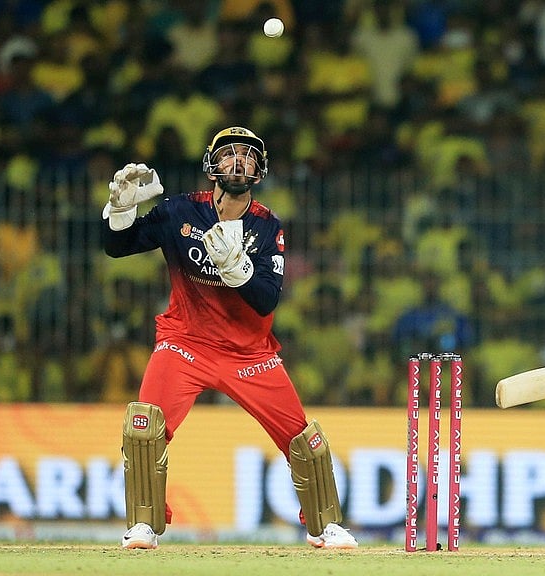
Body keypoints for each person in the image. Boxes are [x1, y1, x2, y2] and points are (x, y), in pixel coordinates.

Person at [102, 126, 358, 551]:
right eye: (228, 154)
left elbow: (265, 301)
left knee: (304, 441)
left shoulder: (267, 224)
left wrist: (237, 267)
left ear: (258, 171)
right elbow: (117, 247)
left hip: (249, 354)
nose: (238, 162)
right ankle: (144, 524)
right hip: (185, 344)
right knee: (144, 426)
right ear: (212, 165)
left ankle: (324, 526)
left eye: (248, 156)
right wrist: (120, 211)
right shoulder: (179, 211)